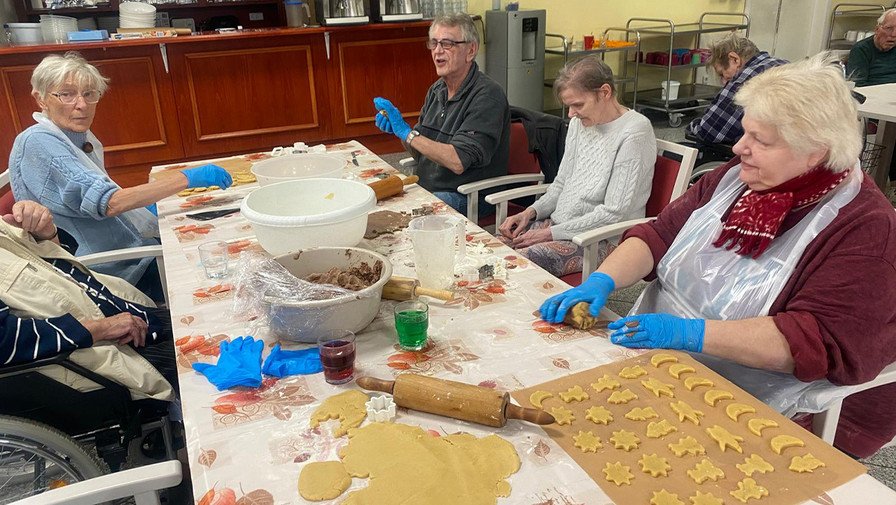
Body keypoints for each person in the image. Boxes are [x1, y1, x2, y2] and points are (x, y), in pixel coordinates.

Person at [541, 54, 896, 458]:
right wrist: (601, 280)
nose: (738, 147)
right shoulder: (734, 179)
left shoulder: (866, 229)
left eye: (760, 140)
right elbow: (659, 235)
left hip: (772, 402)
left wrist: (689, 333)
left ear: (817, 151)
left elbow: (813, 341)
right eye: (745, 132)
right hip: (673, 362)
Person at [8, 52, 233, 297]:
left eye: (88, 94)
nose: (81, 104)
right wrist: (187, 177)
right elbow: (110, 203)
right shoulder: (39, 142)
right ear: (40, 99)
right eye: (66, 94)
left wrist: (140, 212)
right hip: (111, 271)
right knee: (225, 267)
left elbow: (94, 197)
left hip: (129, 251)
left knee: (216, 230)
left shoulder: (71, 137)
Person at [496, 57, 656, 278]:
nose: (571, 114)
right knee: (490, 247)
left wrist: (549, 233)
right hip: (562, 225)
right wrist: (531, 212)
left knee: (514, 266)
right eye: (568, 106)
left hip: (601, 238)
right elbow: (561, 183)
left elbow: (614, 213)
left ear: (605, 92)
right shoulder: (579, 124)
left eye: (578, 105)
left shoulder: (634, 131)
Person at [0, 200, 175, 399]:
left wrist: (46, 234)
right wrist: (102, 328)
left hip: (126, 313)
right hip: (102, 354)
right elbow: (6, 341)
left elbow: (63, 269)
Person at [372, 13, 510, 216]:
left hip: (469, 195)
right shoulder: (437, 89)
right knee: (373, 201)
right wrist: (400, 132)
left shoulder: (488, 96)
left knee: (405, 216)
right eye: (434, 43)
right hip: (430, 187)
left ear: (470, 50)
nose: (437, 52)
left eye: (447, 44)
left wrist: (408, 133)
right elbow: (419, 151)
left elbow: (458, 161)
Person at [686, 33, 787, 146]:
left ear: (734, 59)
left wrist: (693, 126)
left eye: (721, 73)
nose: (724, 81)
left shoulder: (747, 78)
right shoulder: (783, 65)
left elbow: (709, 131)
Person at [847, 8, 896, 86]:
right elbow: (858, 84)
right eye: (889, 28)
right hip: (873, 93)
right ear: (877, 29)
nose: (894, 34)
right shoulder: (861, 50)